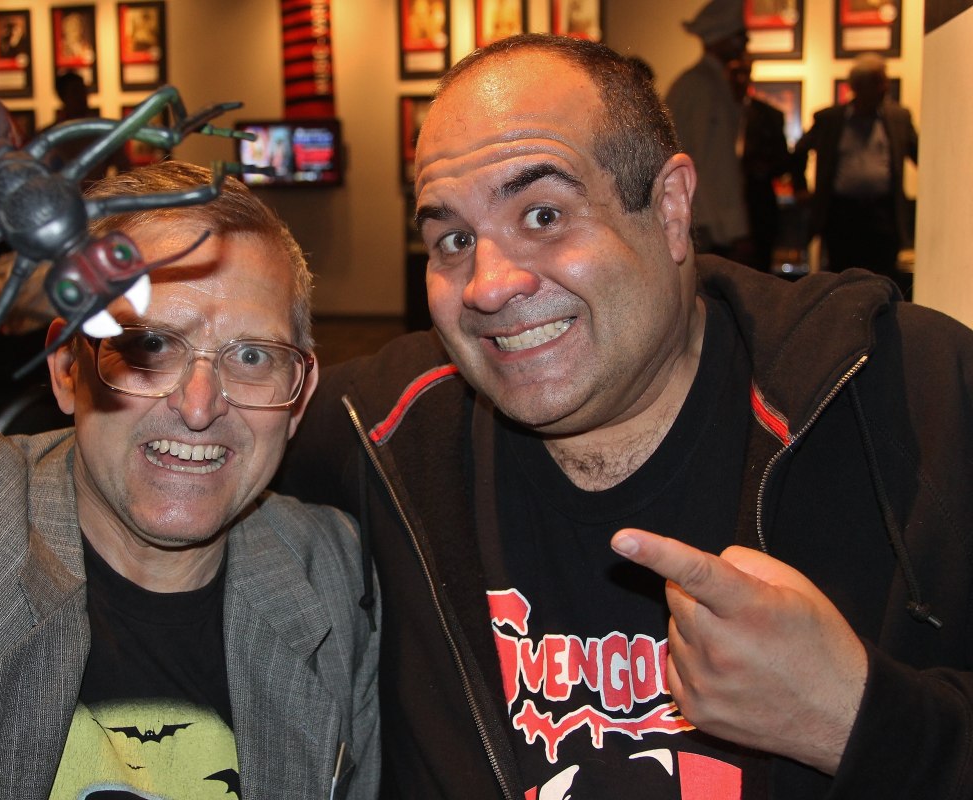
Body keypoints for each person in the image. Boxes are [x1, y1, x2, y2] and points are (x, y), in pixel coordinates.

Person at [277, 32, 973, 799]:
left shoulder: (906, 396)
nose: (488, 285)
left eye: (544, 215)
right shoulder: (385, 431)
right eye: (454, 239)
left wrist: (853, 719)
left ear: (671, 209)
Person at [0, 16, 378, 799]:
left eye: (253, 358)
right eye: (149, 346)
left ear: (299, 401)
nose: (199, 406)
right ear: (65, 367)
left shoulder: (333, 573)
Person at [792, 53, 918, 295]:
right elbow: (799, 152)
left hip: (882, 215)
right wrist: (800, 188)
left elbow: (920, 154)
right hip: (842, 215)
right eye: (878, 81)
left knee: (882, 279)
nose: (885, 87)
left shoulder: (898, 118)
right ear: (858, 86)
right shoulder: (830, 119)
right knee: (843, 279)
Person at [665, 0, 752, 264]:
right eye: (739, 36)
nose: (745, 44)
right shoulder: (702, 86)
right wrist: (732, 229)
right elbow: (711, 163)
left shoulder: (705, 83)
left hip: (703, 218)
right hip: (706, 222)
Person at [730, 53, 791, 272]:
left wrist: (761, 168)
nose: (740, 79)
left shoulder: (769, 115)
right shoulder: (711, 114)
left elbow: (783, 161)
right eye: (735, 72)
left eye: (745, 73)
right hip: (723, 208)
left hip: (759, 208)